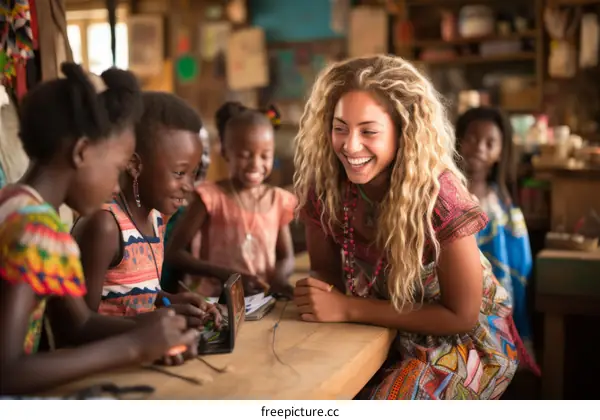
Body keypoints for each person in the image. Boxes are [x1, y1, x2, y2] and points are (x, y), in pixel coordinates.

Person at [291, 55, 537, 400]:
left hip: (464, 342)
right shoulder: (326, 189)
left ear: (403, 131)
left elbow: (462, 316)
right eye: (340, 127)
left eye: (369, 131)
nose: (350, 145)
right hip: (381, 326)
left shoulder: (440, 198)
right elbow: (327, 276)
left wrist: (348, 308)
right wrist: (317, 299)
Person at [0, 63, 199, 396]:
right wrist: (133, 348)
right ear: (82, 152)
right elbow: (5, 372)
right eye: (118, 167)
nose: (116, 184)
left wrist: (155, 330)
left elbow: (81, 323)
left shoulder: (17, 205)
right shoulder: (33, 229)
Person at [71, 92, 219, 325]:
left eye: (193, 174)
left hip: (141, 352)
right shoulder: (105, 226)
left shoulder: (156, 219)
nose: (189, 187)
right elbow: (80, 326)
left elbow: (132, 296)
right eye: (179, 173)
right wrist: (156, 321)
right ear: (135, 165)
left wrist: (171, 301)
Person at [164, 102, 296, 298]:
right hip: (218, 304)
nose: (255, 164)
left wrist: (279, 277)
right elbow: (174, 253)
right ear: (225, 152)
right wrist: (226, 275)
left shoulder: (277, 200)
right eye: (245, 155)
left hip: (263, 302)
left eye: (265, 156)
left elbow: (286, 256)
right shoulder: (210, 197)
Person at [455, 106, 539, 368]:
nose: (479, 147)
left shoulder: (503, 209)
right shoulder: (444, 194)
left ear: (501, 152)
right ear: (456, 139)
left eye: (490, 142)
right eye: (472, 138)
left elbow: (518, 269)